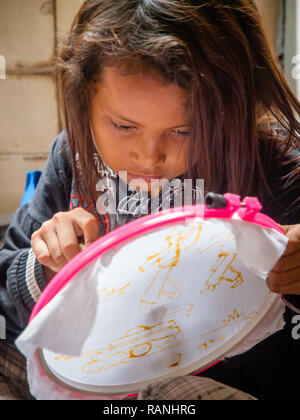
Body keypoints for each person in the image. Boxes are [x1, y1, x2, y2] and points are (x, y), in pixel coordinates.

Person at [0, 0, 299, 400]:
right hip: (91, 372)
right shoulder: (74, 155)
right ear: (83, 103)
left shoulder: (278, 167)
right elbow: (8, 294)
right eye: (123, 126)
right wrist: (48, 268)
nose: (149, 156)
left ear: (233, 110)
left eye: (183, 130)